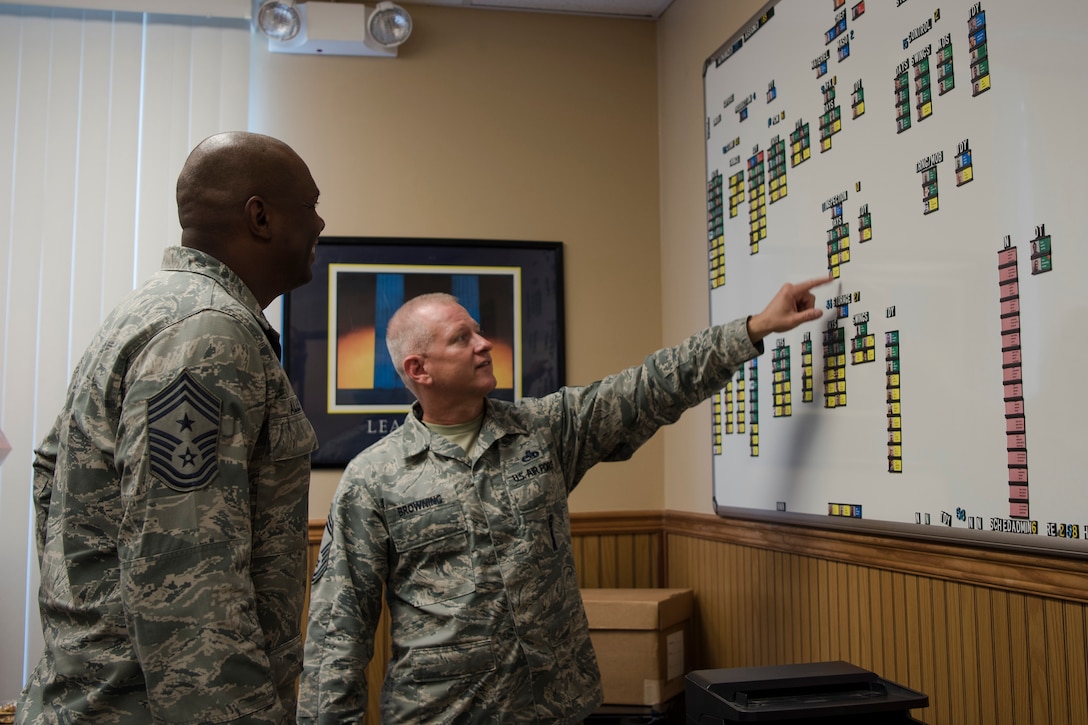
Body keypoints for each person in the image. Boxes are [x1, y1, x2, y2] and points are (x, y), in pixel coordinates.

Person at [298, 276, 832, 723]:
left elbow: (650, 386)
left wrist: (754, 328)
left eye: (479, 331)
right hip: (446, 714)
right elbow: (336, 632)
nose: (484, 344)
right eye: (463, 338)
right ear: (420, 370)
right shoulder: (374, 477)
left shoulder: (544, 430)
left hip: (556, 708)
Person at [18, 131, 325, 724]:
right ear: (260, 216)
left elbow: (49, 479)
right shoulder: (209, 332)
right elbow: (188, 579)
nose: (320, 223)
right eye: (310, 205)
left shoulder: (153, 312)